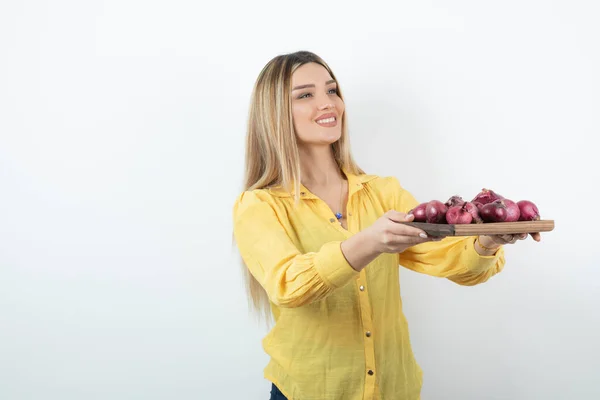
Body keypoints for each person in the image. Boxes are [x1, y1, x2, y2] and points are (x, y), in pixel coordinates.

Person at [232, 51, 541, 400]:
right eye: (305, 95)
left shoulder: (383, 192)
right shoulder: (259, 206)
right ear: (274, 114)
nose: (328, 103)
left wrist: (486, 243)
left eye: (332, 91)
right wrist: (370, 243)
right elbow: (289, 285)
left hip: (394, 390)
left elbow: (446, 259)